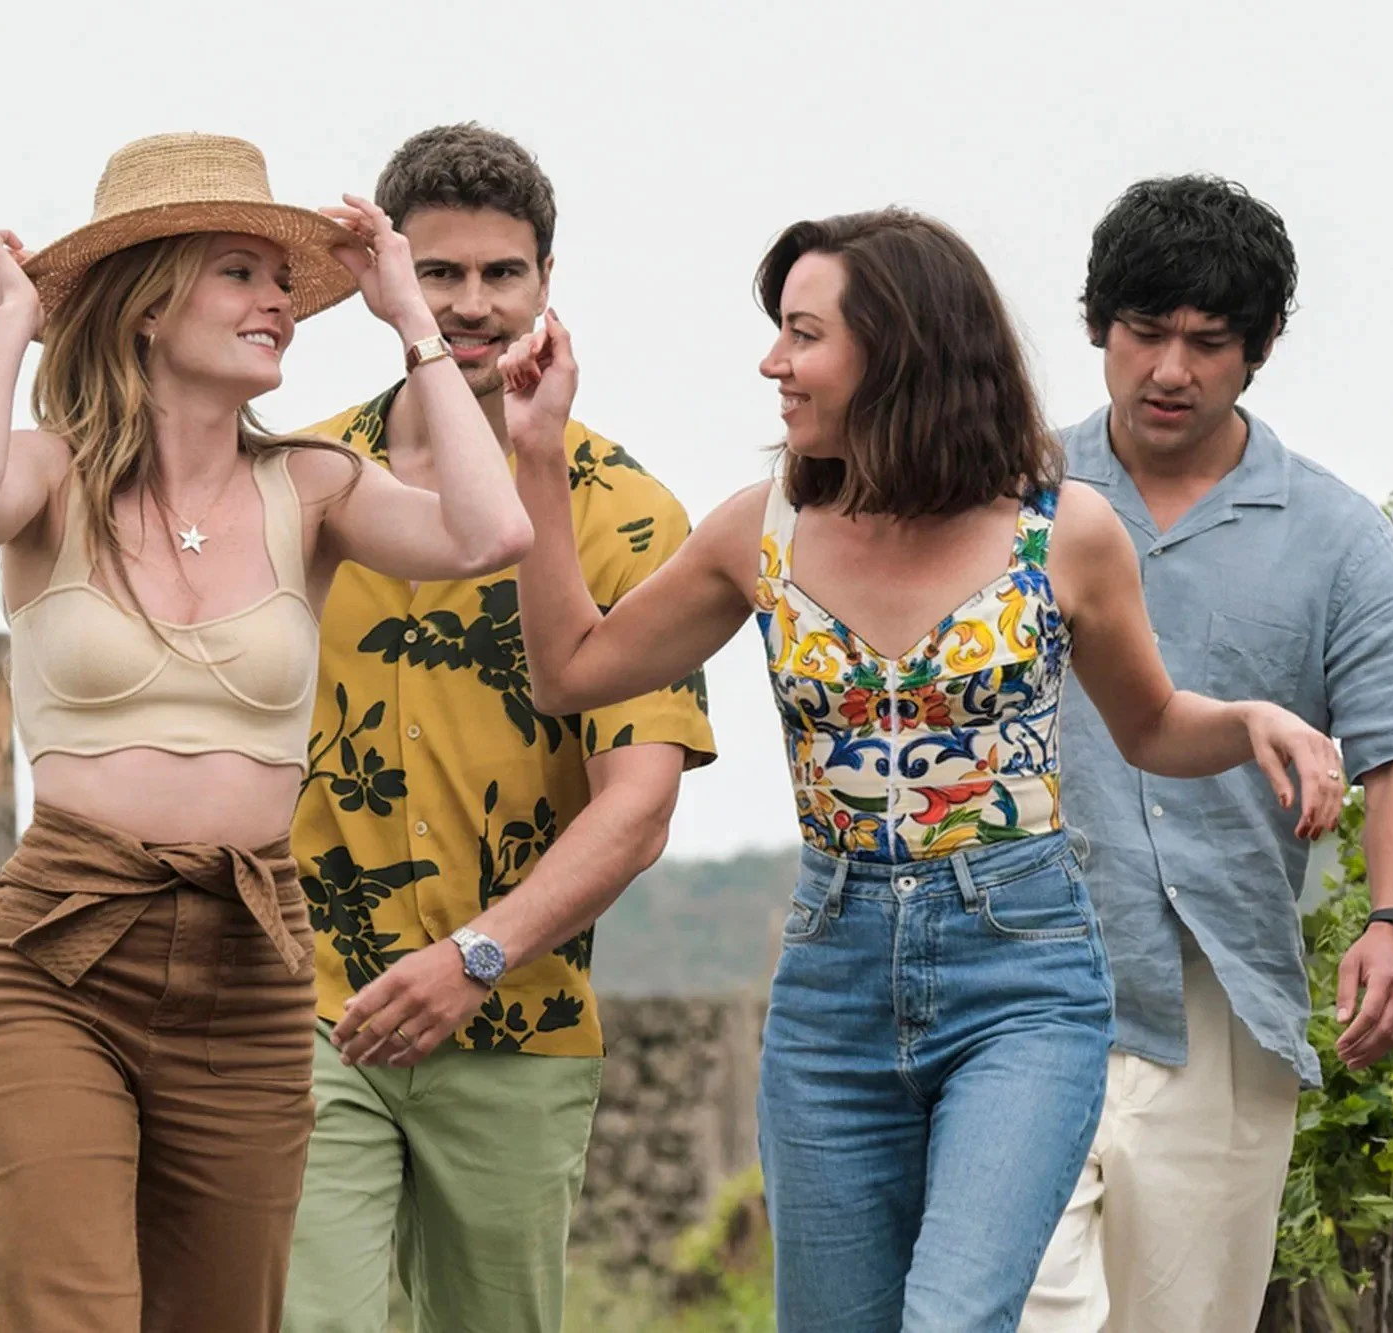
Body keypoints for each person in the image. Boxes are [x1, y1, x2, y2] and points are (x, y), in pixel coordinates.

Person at [501, 207, 1347, 1332]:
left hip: (1022, 976)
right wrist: (536, 454)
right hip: (831, 981)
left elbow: (1149, 725)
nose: (773, 362)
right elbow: (570, 670)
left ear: (896, 351)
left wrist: (1249, 720)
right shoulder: (761, 532)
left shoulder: (1062, 532)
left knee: (954, 1317)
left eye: (803, 334)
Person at [0, 131, 531, 1333]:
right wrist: (16, 321)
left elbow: (488, 532)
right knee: (69, 1311)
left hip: (249, 956)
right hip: (66, 943)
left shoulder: (312, 485)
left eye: (283, 281)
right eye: (239, 274)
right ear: (148, 305)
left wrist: (410, 318)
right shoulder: (50, 475)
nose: (278, 304)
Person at [280, 124, 716, 1333]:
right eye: (438, 272)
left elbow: (637, 807)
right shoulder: (296, 482)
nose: (471, 304)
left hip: (515, 1018)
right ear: (386, 280)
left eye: (500, 273)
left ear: (544, 281)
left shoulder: (626, 512)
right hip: (306, 1009)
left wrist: (474, 956)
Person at [1019, 177, 1393, 1333]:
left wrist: (1390, 920)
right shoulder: (1006, 495)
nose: (1170, 369)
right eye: (1143, 332)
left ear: (1257, 351)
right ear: (1096, 327)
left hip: (1217, 1000)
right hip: (1012, 979)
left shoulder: (1335, 536)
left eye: (1208, 342)